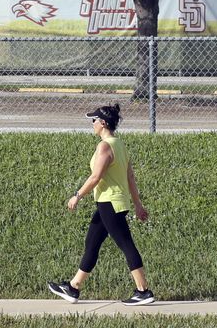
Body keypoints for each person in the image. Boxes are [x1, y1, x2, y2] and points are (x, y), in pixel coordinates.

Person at [47, 103, 155, 306]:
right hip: (110, 203)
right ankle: (73, 287)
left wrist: (77, 195)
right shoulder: (119, 145)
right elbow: (130, 177)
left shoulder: (105, 146)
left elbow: (96, 176)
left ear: (103, 123)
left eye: (94, 120)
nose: (92, 124)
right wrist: (138, 205)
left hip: (109, 202)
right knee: (92, 244)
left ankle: (143, 291)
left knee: (126, 244)